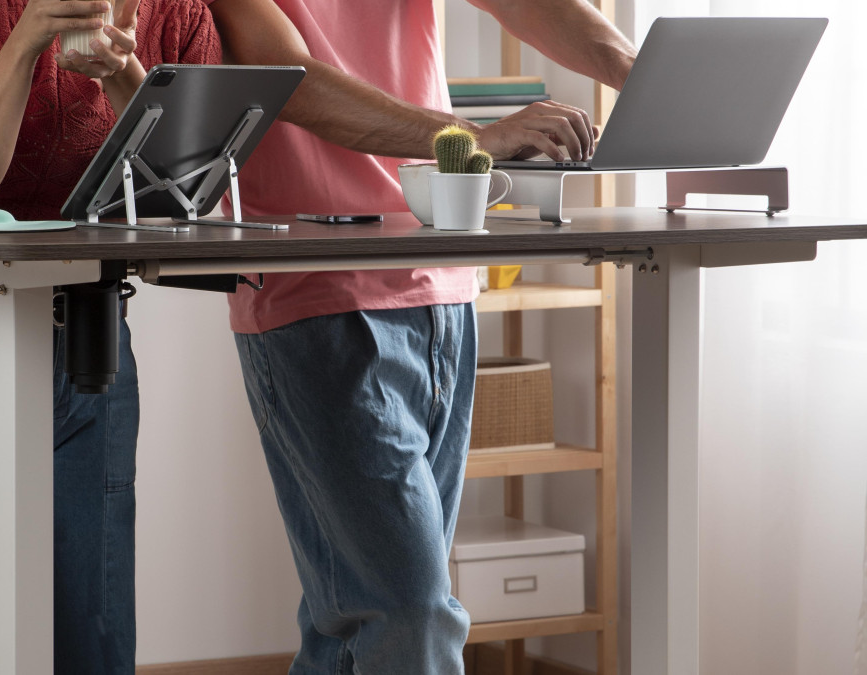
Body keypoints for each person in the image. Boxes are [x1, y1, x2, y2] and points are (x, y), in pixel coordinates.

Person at [195, 0, 636, 671]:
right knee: (410, 610)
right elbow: (290, 76)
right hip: (316, 293)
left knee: (351, 623)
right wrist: (473, 136)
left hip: (443, 286)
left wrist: (633, 70)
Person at [0, 0, 220, 672]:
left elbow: (187, 198)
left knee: (96, 651)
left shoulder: (183, 15)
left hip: (92, 357)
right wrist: (27, 41)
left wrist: (123, 76)